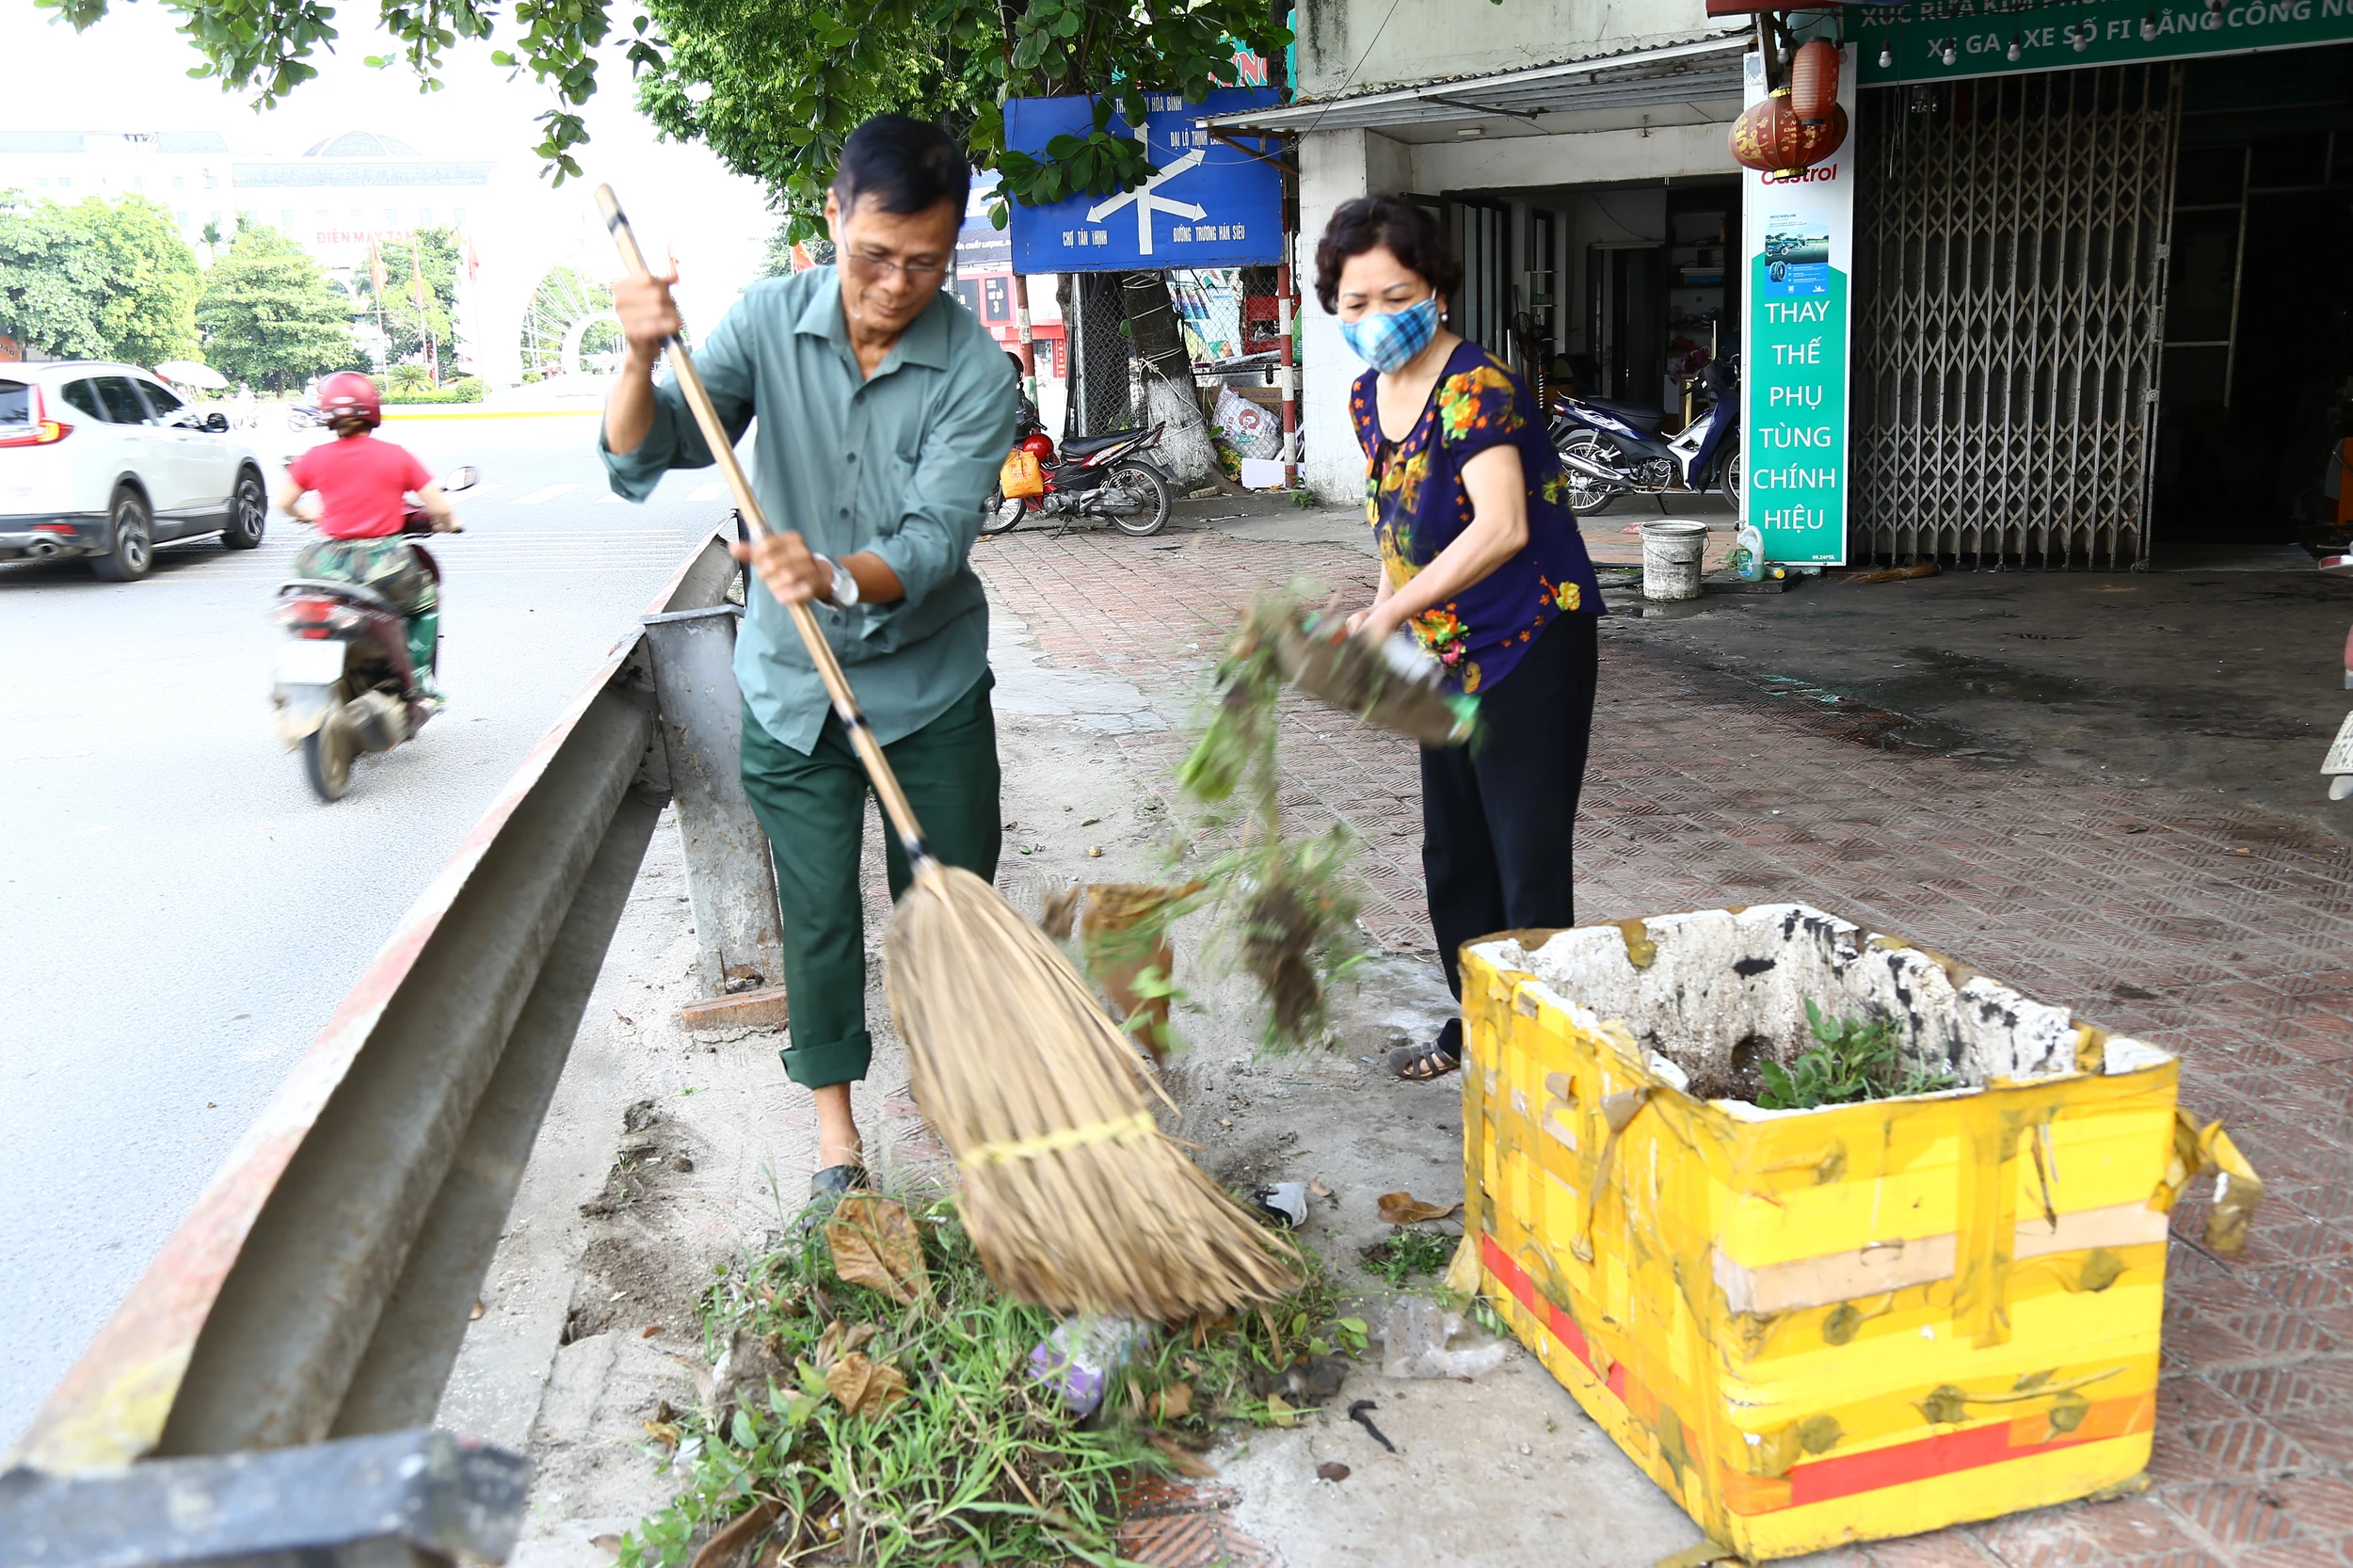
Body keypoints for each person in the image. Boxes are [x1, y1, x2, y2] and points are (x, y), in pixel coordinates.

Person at [601, 114, 1017, 1211]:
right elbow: (645, 456)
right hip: (794, 695)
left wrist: (834, 575)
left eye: (923, 263)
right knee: (822, 916)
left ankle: (959, 1097)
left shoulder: (976, 372)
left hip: (928, 690)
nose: (892, 284)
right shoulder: (764, 324)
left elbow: (933, 543)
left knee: (947, 904)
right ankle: (839, 1144)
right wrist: (641, 353)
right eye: (871, 255)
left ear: (953, 244)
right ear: (831, 219)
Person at [1317, 193, 1605, 1081]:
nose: (1376, 320)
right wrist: (1382, 621)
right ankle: (1480, 1020)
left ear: (1438, 289)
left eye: (1396, 297)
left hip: (1528, 643)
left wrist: (1396, 612)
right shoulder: (1372, 396)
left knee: (1525, 856)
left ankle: (1542, 1053)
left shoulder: (1476, 385)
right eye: (1356, 303)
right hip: (1443, 656)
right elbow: (1397, 529)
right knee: (1454, 853)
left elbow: (1504, 526)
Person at [278, 371, 462, 696]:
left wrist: (308, 514)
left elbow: (284, 503)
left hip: (324, 563)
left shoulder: (314, 457)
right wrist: (449, 524)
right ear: (372, 410)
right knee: (425, 602)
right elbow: (440, 508)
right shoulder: (395, 455)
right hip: (383, 563)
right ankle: (419, 681)